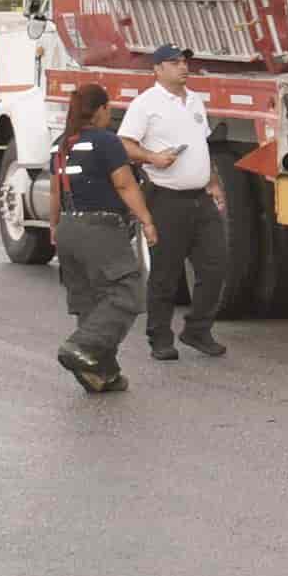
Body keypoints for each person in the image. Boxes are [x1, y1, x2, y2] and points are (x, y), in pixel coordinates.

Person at [118, 44, 230, 363]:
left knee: (216, 265)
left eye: (184, 61)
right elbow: (125, 144)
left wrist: (212, 182)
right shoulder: (146, 104)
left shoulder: (194, 100)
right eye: (174, 62)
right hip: (166, 198)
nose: (183, 67)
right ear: (157, 69)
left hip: (201, 199)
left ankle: (198, 329)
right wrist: (152, 157)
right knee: (166, 273)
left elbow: (200, 145)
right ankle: (160, 337)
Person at [52, 82, 159, 394]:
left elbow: (57, 191)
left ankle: (103, 373)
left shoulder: (63, 145)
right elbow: (125, 185)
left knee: (91, 301)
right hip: (100, 228)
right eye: (108, 109)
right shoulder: (106, 142)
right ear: (98, 111)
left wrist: (55, 228)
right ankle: (81, 346)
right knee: (127, 292)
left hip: (69, 228)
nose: (109, 114)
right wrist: (147, 220)